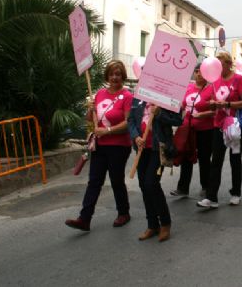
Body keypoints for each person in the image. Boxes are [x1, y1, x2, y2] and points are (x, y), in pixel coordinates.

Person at [65, 60, 134, 232]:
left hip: (119, 145)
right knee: (94, 181)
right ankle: (84, 218)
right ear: (107, 76)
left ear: (123, 76)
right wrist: (90, 109)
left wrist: (109, 131)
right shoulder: (100, 94)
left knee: (116, 180)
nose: (114, 77)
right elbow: (91, 119)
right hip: (100, 145)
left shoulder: (127, 96)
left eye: (118, 74)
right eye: (111, 74)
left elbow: (129, 123)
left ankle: (123, 212)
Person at [197, 52, 242, 209]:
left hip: (235, 125)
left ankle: (236, 193)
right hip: (218, 124)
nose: (217, 69)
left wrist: (228, 105)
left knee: (235, 159)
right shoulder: (215, 81)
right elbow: (213, 103)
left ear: (228, 63)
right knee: (216, 160)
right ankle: (211, 197)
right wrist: (213, 104)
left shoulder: (239, 79)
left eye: (220, 65)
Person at [128, 99, 183, 242]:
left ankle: (165, 223)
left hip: (158, 148)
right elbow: (131, 120)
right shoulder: (137, 98)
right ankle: (152, 224)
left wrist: (159, 114)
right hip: (141, 148)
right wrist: (135, 137)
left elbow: (177, 120)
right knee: (143, 186)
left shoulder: (168, 98)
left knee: (151, 183)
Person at [171, 65, 216, 198]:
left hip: (205, 130)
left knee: (204, 158)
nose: (198, 74)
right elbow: (181, 106)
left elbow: (216, 111)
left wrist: (203, 115)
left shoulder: (211, 89)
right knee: (186, 156)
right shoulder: (188, 88)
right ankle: (183, 188)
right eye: (196, 71)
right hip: (187, 129)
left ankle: (206, 186)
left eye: (201, 72)